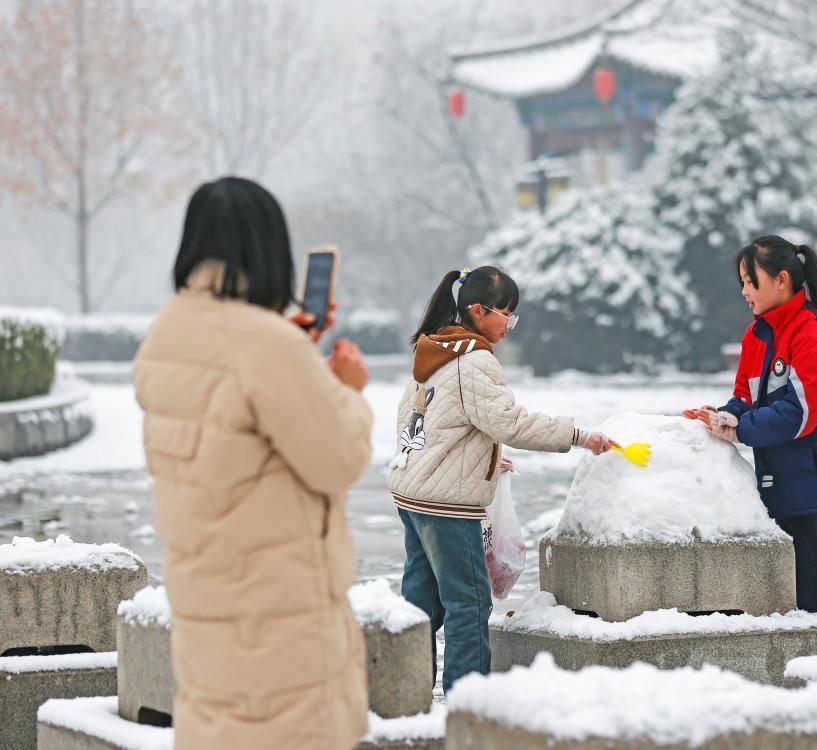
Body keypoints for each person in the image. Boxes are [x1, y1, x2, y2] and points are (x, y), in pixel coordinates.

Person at [134, 177, 372, 749]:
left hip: (207, 619)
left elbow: (233, 404)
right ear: (269, 249)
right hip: (280, 628)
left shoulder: (167, 332)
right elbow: (340, 457)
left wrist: (291, 355)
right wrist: (346, 388)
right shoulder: (268, 348)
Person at [388, 266, 615, 694]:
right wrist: (578, 435)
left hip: (413, 495)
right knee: (468, 606)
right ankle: (467, 705)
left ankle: (403, 696)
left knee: (421, 604)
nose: (509, 325)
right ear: (478, 310)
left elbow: (424, 420)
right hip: (446, 507)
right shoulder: (474, 360)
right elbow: (510, 422)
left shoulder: (437, 348)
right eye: (506, 314)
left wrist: (484, 457)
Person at [687, 235, 817, 622]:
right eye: (742, 284)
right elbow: (743, 398)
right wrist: (722, 416)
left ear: (782, 280)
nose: (745, 292)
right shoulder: (756, 336)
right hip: (781, 491)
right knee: (806, 606)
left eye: (752, 282)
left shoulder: (816, 332)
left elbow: (804, 412)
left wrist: (740, 428)